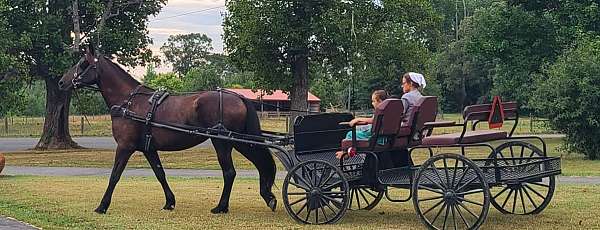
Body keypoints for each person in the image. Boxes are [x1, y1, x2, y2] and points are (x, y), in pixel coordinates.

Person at [335, 90, 389, 159]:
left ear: (380, 101)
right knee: (359, 131)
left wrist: (357, 119)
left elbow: (373, 120)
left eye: (374, 101)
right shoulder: (389, 110)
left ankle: (346, 153)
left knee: (350, 134)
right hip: (384, 138)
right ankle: (346, 152)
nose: (372, 103)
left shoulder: (380, 111)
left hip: (375, 138)